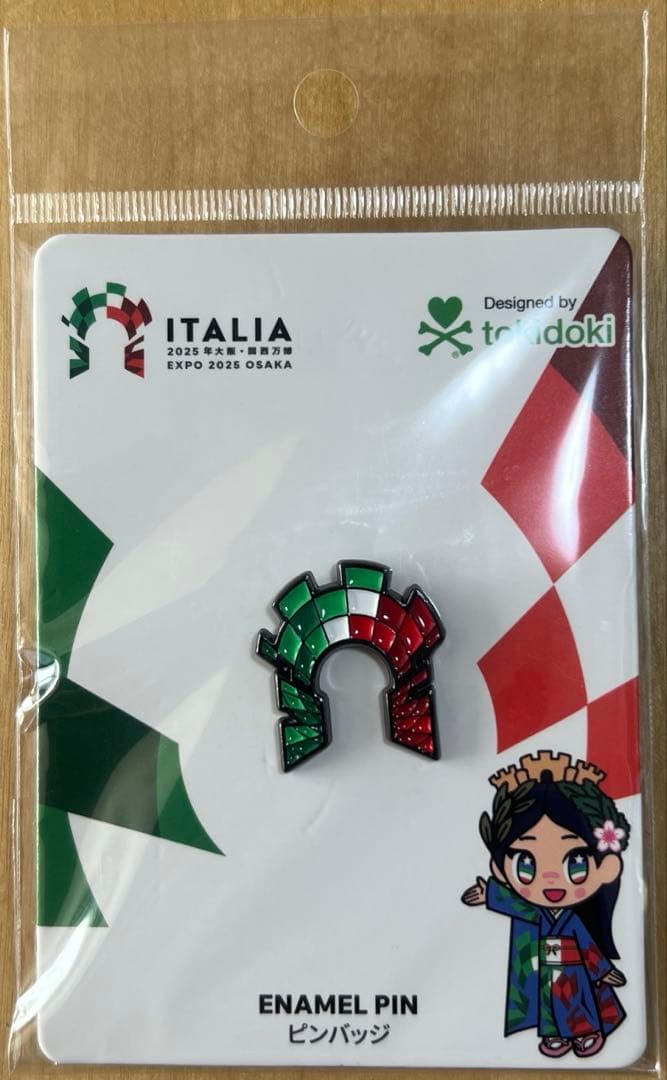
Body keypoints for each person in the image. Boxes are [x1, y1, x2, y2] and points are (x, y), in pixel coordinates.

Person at [461, 751, 629, 1058]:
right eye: (526, 863)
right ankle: (555, 1036)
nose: (550, 877)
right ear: (501, 868)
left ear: (606, 867)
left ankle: (586, 1033)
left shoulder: (571, 919)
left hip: (575, 970)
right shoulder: (537, 912)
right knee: (549, 1005)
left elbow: (588, 947)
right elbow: (518, 906)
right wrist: (490, 895)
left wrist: (602, 971)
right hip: (545, 969)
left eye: (575, 862)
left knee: (577, 1004)